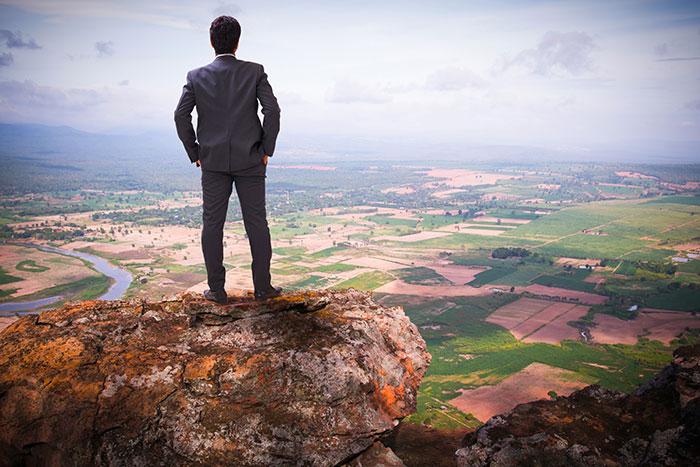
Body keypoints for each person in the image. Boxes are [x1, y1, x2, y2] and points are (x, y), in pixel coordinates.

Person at [174, 15, 281, 304]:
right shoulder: (255, 71)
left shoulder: (196, 77)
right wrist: (265, 150)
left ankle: (217, 291)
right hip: (251, 160)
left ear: (211, 42)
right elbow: (272, 111)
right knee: (257, 223)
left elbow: (180, 115)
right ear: (237, 42)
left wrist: (195, 153)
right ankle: (263, 288)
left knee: (212, 224)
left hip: (212, 163)